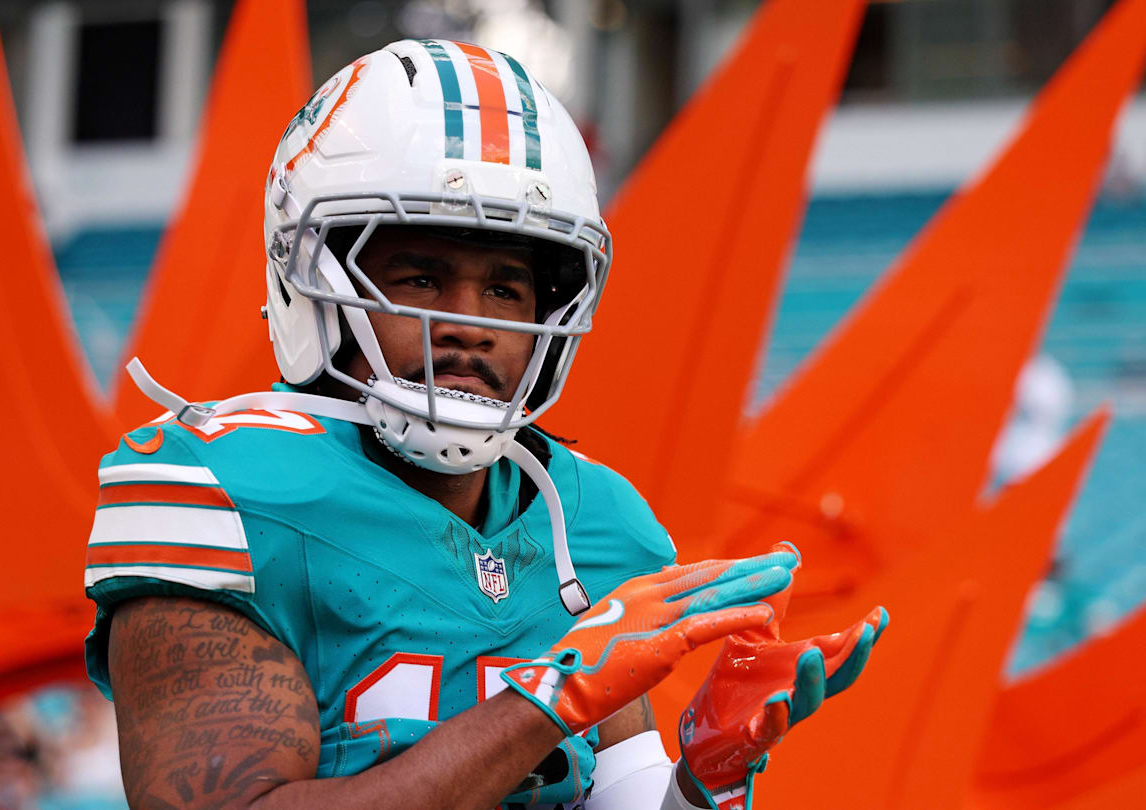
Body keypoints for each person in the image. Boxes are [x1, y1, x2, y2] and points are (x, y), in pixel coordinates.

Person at [82, 40, 886, 810]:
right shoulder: (220, 489)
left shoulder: (593, 521)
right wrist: (549, 696)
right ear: (314, 280)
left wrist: (706, 778)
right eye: (423, 277)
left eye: (506, 289)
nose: (471, 323)